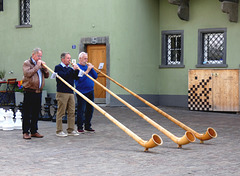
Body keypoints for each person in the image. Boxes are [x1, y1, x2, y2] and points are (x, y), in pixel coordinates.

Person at [22, 48, 49, 139]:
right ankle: (26, 131)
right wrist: (37, 66)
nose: (40, 58)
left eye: (41, 56)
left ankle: (34, 131)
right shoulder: (27, 63)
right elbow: (28, 74)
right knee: (27, 112)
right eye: (38, 56)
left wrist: (45, 69)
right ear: (33, 55)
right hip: (29, 91)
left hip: (38, 91)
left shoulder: (40, 64)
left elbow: (47, 76)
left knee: (36, 112)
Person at [54, 52, 79, 137]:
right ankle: (59, 130)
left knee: (72, 112)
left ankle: (71, 129)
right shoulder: (58, 67)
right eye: (68, 58)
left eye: (70, 58)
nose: (69, 60)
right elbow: (63, 76)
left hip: (71, 92)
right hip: (62, 92)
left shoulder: (69, 69)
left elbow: (76, 77)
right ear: (63, 59)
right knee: (61, 112)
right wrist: (72, 70)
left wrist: (76, 70)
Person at [75, 52, 98, 133]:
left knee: (90, 109)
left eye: (87, 58)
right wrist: (88, 70)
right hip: (81, 91)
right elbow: (80, 79)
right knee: (81, 110)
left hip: (90, 90)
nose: (86, 60)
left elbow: (95, 76)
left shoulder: (88, 67)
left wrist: (91, 68)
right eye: (85, 58)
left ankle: (88, 126)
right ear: (80, 59)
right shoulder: (77, 67)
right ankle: (80, 127)